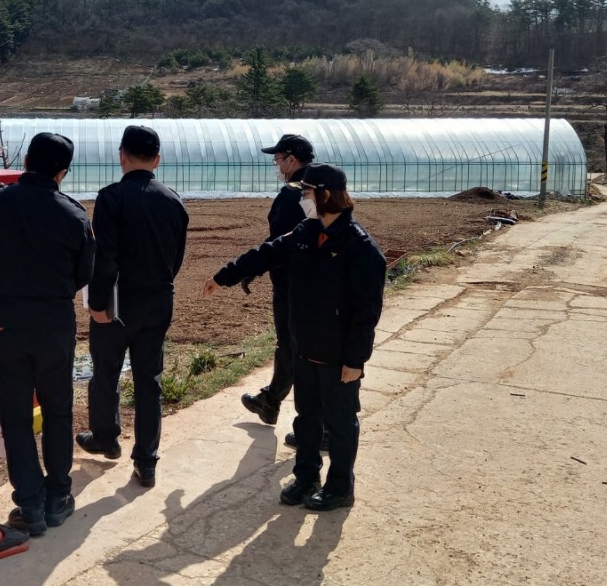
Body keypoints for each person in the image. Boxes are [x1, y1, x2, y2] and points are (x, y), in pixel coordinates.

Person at [203, 163, 386, 511]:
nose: (303, 198)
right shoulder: (307, 232)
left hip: (337, 354)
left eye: (307, 192)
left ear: (326, 195)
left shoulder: (360, 248)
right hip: (304, 345)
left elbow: (367, 312)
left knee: (340, 423)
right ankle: (306, 477)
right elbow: (267, 252)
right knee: (306, 417)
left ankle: (339, 488)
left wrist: (356, 360)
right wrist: (225, 275)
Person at [0, 132, 96, 537]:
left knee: (15, 415)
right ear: (63, 172)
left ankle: (29, 505)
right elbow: (84, 273)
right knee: (58, 409)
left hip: (5, 325)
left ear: (26, 160)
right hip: (54, 326)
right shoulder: (74, 214)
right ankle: (58, 497)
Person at [76, 125, 189, 489]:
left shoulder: (111, 198)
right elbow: (176, 258)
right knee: (149, 379)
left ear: (121, 155)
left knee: (106, 371)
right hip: (158, 299)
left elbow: (105, 257)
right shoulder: (174, 201)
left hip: (118, 300)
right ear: (157, 159)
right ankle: (147, 460)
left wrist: (98, 302)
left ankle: (106, 438)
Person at [240, 133, 315, 442]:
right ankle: (270, 400)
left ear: (291, 160)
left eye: (278, 159)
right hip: (319, 283)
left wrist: (252, 267)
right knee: (297, 346)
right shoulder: (325, 187)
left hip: (291, 285)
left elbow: (279, 243)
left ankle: (313, 427)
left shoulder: (291, 194)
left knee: (295, 348)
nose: (276, 165)